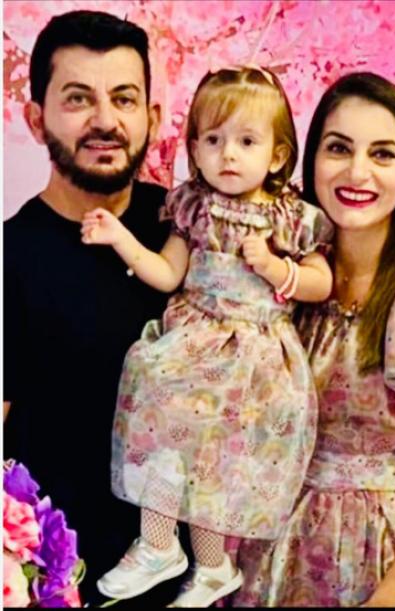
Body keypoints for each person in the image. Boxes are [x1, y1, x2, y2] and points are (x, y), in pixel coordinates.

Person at [80, 65, 334, 607]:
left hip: (254, 361)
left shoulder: (288, 216)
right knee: (166, 441)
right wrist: (120, 237)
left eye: (247, 142)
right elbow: (167, 273)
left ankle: (214, 565)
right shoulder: (194, 207)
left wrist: (275, 268)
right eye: (213, 140)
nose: (228, 155)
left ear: (278, 155)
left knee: (217, 466)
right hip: (192, 348)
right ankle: (159, 544)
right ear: (194, 148)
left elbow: (321, 281)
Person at [229, 72, 395, 607]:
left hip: (382, 560)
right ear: (311, 160)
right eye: (338, 148)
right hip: (266, 555)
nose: (357, 172)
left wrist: (392, 596)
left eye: (382, 154)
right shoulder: (276, 278)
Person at [3, 10, 179, 607]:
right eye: (78, 99)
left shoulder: (191, 232)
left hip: (196, 579)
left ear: (152, 116)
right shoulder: (10, 259)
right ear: (36, 119)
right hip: (60, 582)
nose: (105, 120)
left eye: (124, 99)